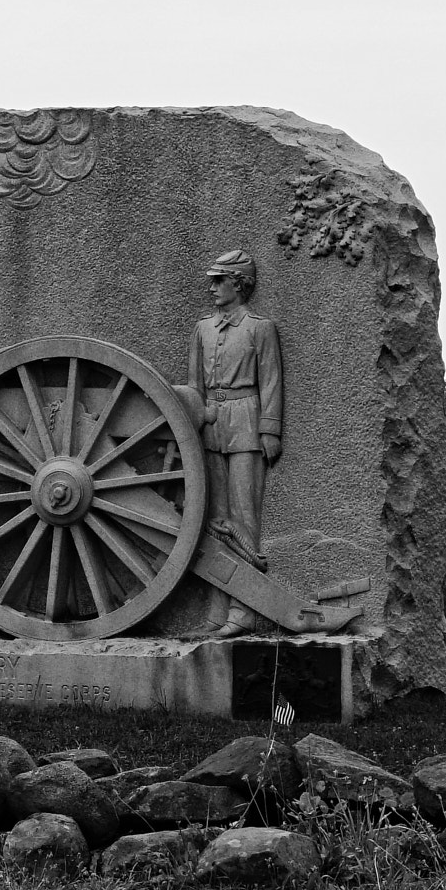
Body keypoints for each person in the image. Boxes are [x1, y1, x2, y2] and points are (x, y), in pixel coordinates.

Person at [187, 249, 283, 637]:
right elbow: (194, 383)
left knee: (243, 520)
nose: (211, 287)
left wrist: (269, 430)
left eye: (219, 280)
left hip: (246, 419)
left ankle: (242, 613)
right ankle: (215, 613)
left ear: (239, 284)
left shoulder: (260, 328)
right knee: (213, 521)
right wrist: (195, 419)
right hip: (211, 423)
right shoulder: (202, 329)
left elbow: (271, 380)